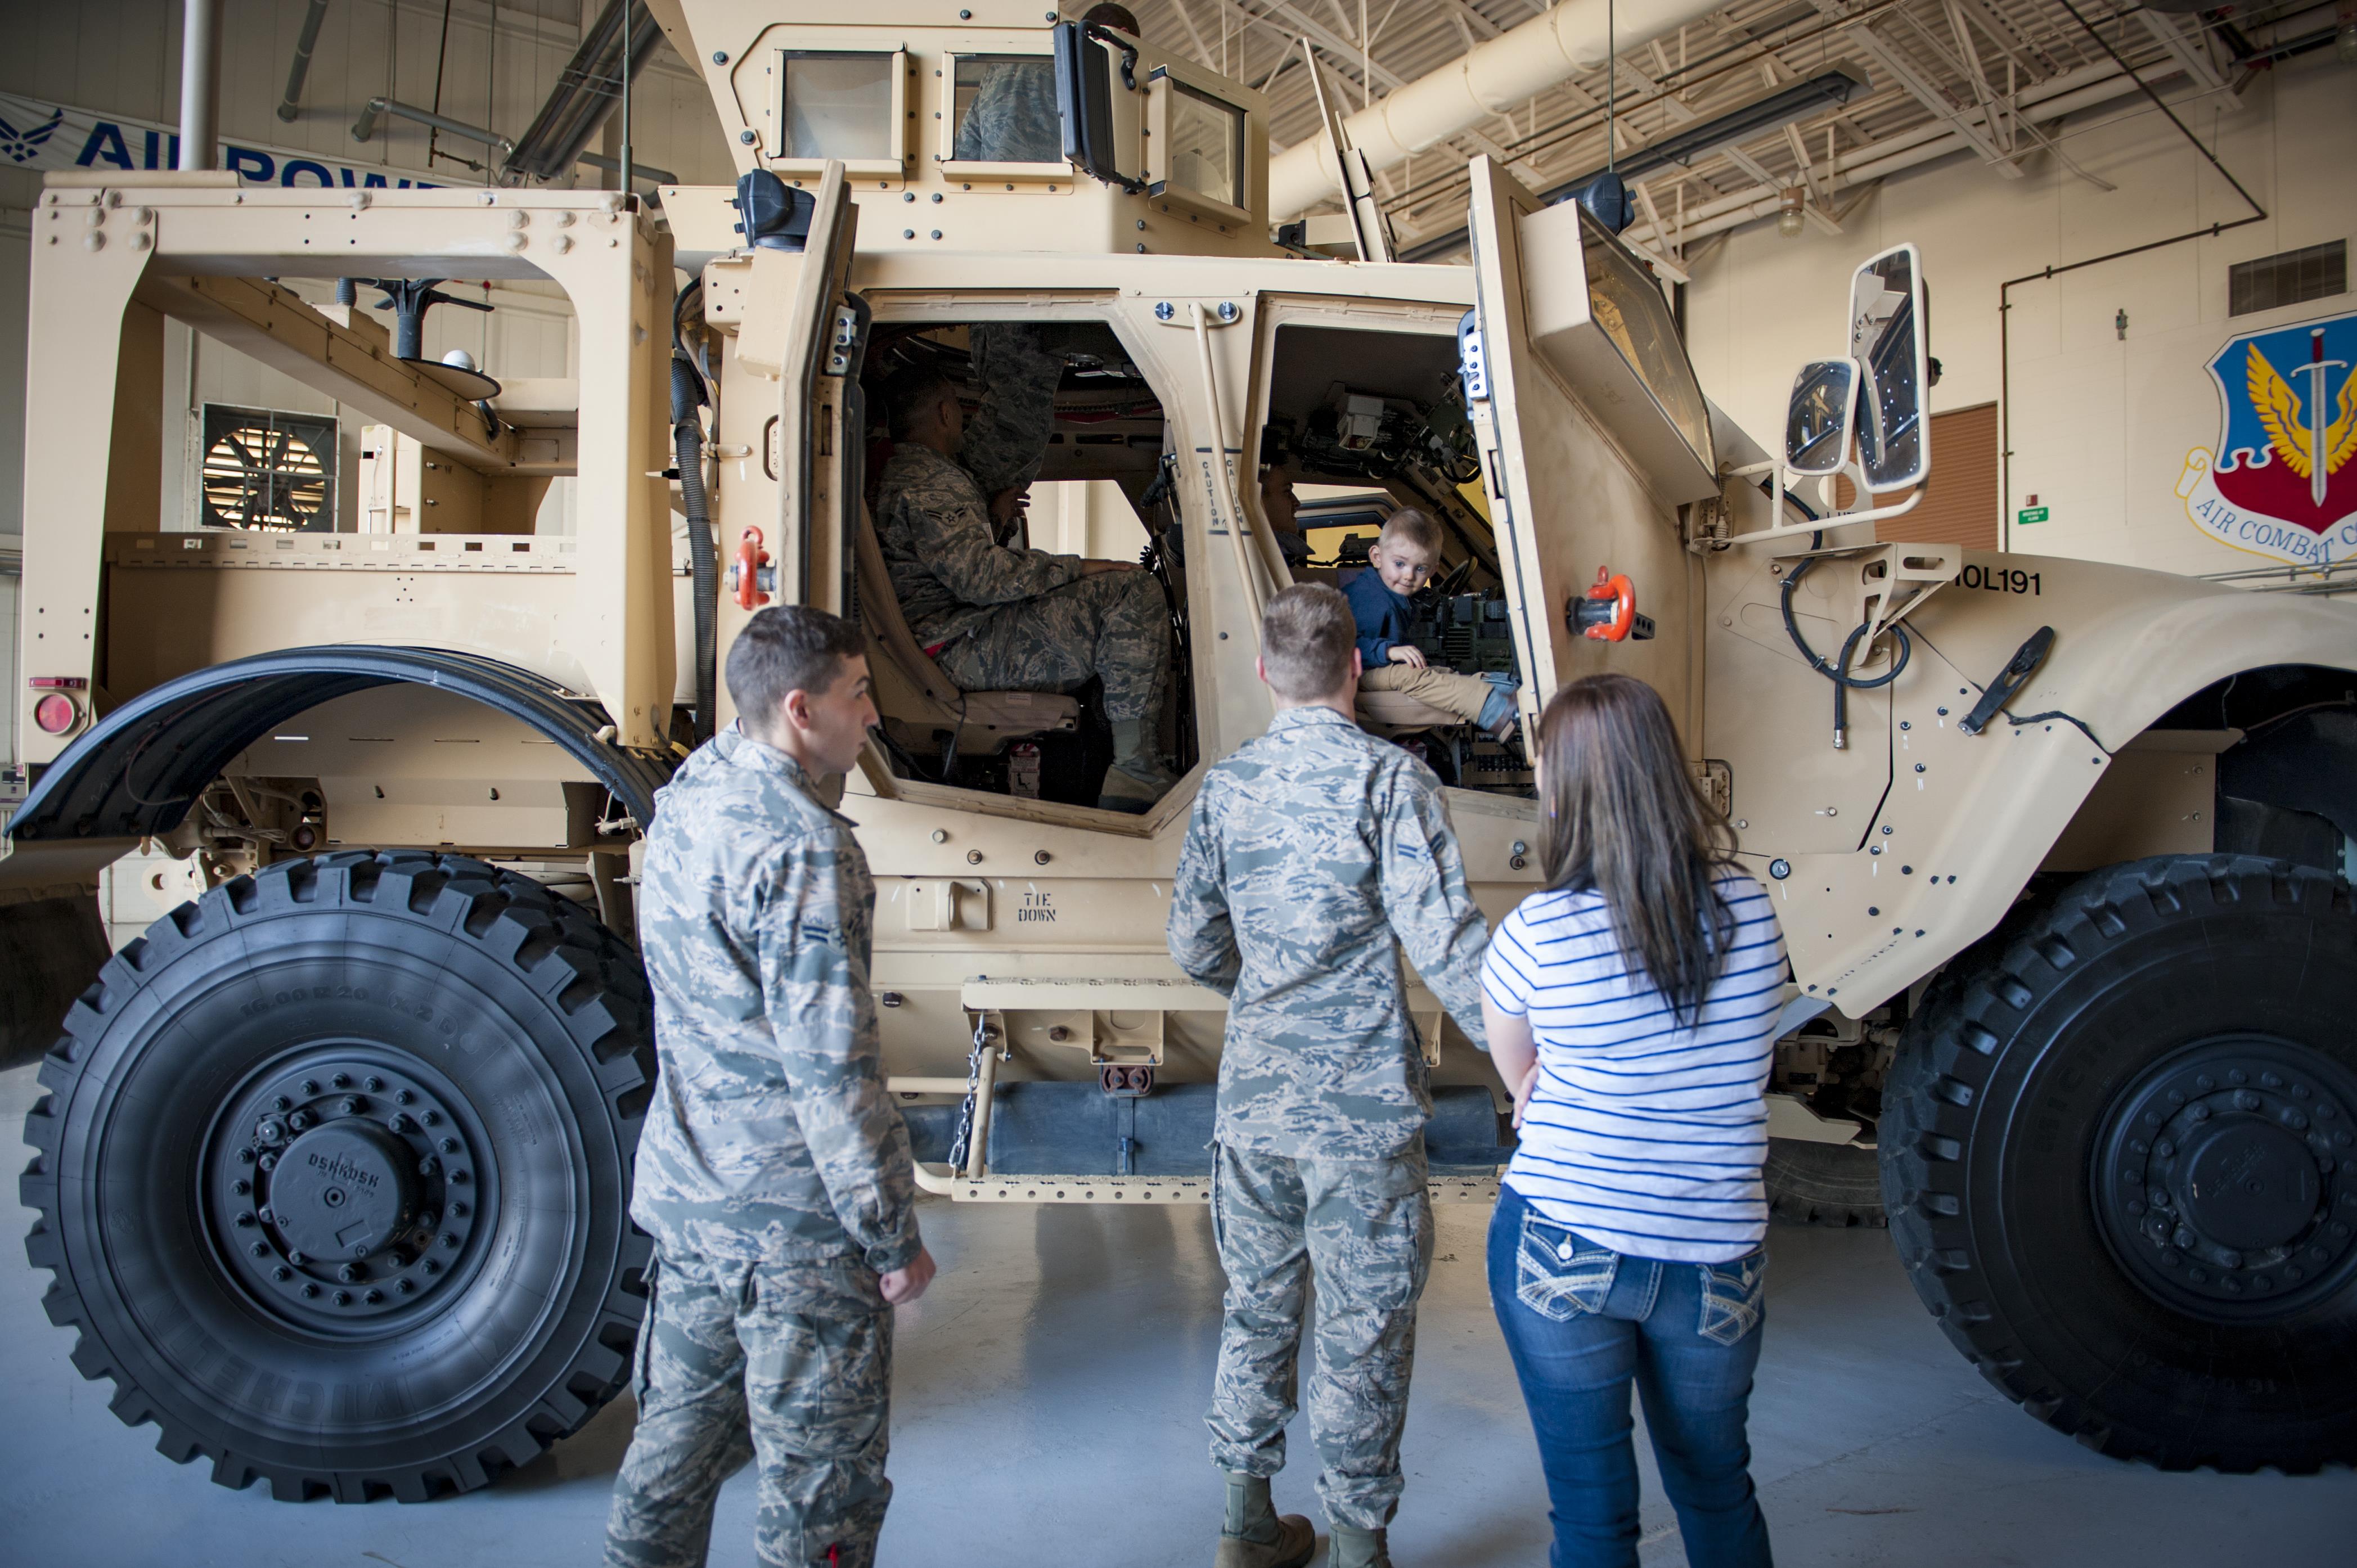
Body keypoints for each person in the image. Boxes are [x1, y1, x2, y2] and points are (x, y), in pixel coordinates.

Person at [1167, 584, 1493, 1568]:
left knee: (1256, 1306)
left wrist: (1268, 986)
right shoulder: (1393, 782)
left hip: (1257, 1103)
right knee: (1365, 1322)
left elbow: (1192, 944)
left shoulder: (1224, 789)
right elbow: (1449, 947)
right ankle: (1357, 1543)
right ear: (1357, 667)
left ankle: (1246, 1521)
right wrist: (1540, 1061)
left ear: (1264, 671)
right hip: (1360, 1115)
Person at [604, 606, 936, 1568]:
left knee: (673, 1451)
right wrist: (890, 1236)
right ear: (799, 709)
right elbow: (831, 1067)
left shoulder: (694, 789)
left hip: (692, 1201)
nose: (872, 713)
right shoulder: (805, 848)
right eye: (858, 692)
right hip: (794, 1231)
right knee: (821, 1489)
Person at [1477, 674, 1785, 1568]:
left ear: (1565, 787)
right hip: (1714, 1249)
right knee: (1717, 1485)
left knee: (1591, 1512)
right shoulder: (1752, 911)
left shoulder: (1536, 933)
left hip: (1564, 1239)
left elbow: (1518, 1078)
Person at [872, 334, 1176, 812]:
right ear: (946, 413)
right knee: (1130, 592)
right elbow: (982, 580)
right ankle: (1137, 773)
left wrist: (992, 520)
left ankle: (1124, 752)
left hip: (953, 637)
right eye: (958, 409)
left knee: (1115, 592)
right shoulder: (928, 482)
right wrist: (1085, 566)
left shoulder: (918, 477)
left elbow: (947, 569)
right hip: (957, 646)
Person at [1342, 508, 1519, 741]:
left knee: (1431, 674)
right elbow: (1344, 648)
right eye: (1399, 564)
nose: (1408, 576)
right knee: (1409, 676)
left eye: (1420, 569)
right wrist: (1388, 650)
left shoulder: (1391, 594)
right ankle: (1495, 711)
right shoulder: (1370, 598)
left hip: (1374, 667)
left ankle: (1504, 687)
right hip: (1353, 673)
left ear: (1433, 570)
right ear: (1376, 557)